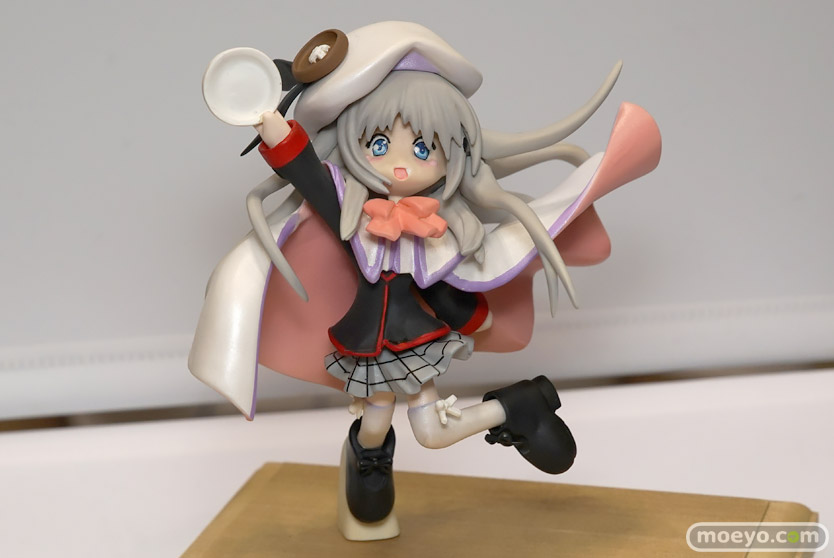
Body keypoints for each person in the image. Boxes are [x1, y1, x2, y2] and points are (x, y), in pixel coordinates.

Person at [190, 21, 661, 539]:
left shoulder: (437, 233)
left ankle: (515, 406)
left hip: (413, 343)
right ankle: (370, 468)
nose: (398, 166)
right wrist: (273, 128)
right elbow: (309, 175)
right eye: (378, 143)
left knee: (432, 435)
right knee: (372, 428)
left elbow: (441, 289)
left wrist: (475, 318)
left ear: (452, 155)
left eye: (422, 150)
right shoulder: (354, 219)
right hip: (365, 344)